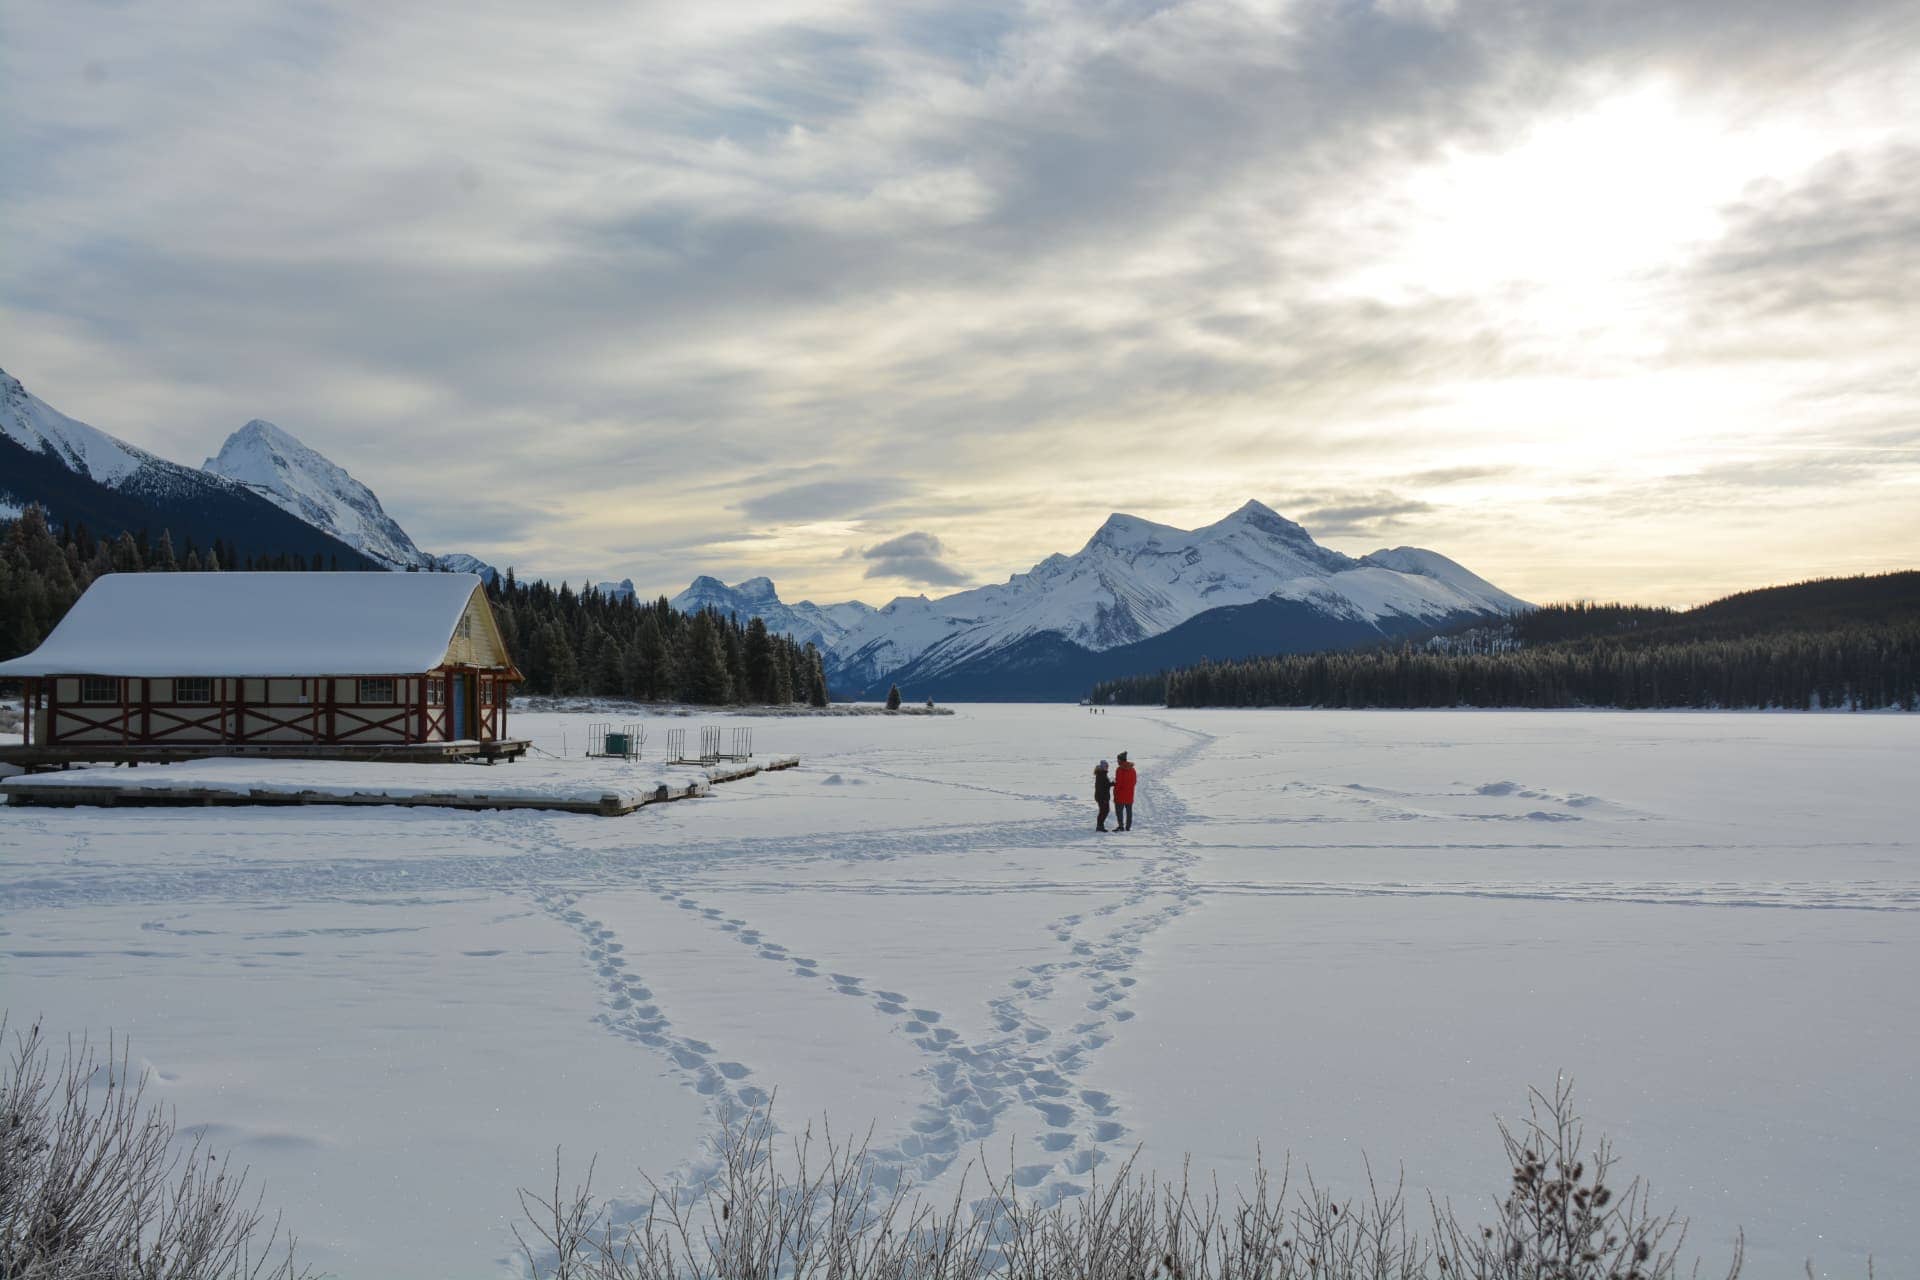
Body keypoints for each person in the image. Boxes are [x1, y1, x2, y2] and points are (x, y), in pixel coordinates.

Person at [1112, 752, 1137, 831]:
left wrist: (1115, 792)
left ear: (1120, 760)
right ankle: (1128, 827)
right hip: (1130, 795)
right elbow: (1134, 781)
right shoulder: (1132, 769)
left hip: (1120, 795)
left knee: (1119, 812)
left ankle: (1121, 826)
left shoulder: (1119, 769)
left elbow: (1118, 783)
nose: (1117, 761)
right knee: (1129, 811)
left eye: (1118, 759)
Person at [1093, 760, 1113, 832]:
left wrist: (1111, 784)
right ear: (1103, 767)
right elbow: (1102, 787)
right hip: (1102, 797)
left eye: (1107, 766)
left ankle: (1100, 825)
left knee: (1104, 811)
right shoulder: (1101, 774)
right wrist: (1111, 784)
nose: (1107, 767)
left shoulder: (1102, 774)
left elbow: (1105, 785)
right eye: (1106, 766)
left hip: (1101, 796)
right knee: (1104, 811)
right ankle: (1099, 826)